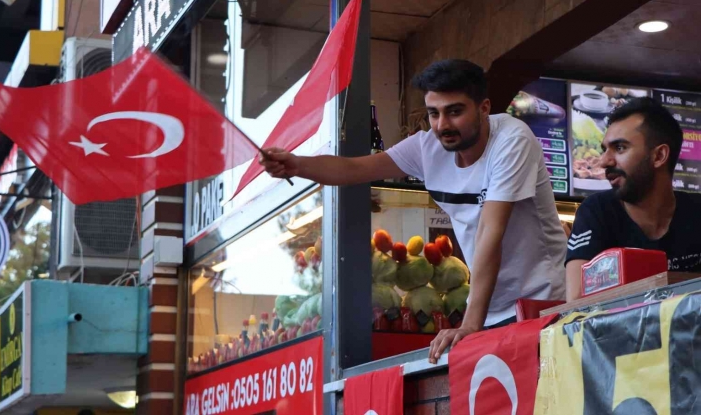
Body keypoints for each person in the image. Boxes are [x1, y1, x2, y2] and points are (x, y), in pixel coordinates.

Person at [259, 59, 566, 363]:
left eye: (455, 111)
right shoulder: (426, 147)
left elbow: (491, 230)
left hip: (541, 302)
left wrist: (471, 323)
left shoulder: (512, 139)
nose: (442, 125)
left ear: (484, 108)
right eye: (434, 113)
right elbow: (353, 168)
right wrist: (297, 164)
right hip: (488, 310)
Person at [565, 97, 701, 301]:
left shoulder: (697, 211)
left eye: (620, 148)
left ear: (659, 156)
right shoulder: (596, 211)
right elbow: (576, 303)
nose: (604, 161)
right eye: (604, 149)